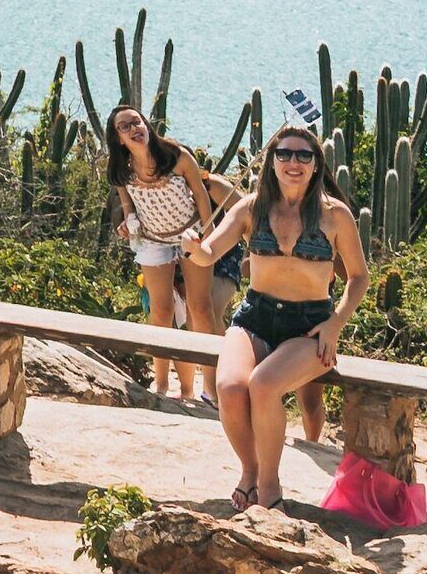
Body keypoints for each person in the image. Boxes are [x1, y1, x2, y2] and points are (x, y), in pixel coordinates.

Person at [190, 117, 366, 508]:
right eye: (284, 153)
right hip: (255, 316)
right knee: (231, 388)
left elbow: (358, 278)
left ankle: (269, 488)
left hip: (309, 325)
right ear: (271, 161)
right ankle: (249, 472)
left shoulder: (335, 215)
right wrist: (193, 246)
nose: (293, 161)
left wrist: (336, 323)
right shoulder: (251, 209)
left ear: (316, 164)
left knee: (264, 386)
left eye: (304, 155)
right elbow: (207, 254)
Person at [106, 105, 234, 401]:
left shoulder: (176, 156)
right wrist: (127, 222)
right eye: (125, 127)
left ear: (147, 124)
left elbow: (201, 196)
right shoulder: (121, 169)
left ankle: (210, 389)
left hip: (190, 233)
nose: (134, 129)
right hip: (153, 239)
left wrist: (208, 237)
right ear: (118, 138)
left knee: (200, 308)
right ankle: (162, 384)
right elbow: (127, 205)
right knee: (160, 310)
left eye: (136, 122)